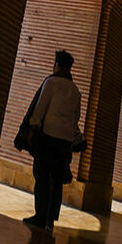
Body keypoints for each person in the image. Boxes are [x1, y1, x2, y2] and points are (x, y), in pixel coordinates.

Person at [23, 49, 83, 232]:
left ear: (56, 64)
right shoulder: (75, 89)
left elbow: (40, 108)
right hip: (64, 141)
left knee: (41, 176)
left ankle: (40, 216)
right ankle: (51, 219)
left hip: (48, 136)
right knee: (56, 179)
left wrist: (32, 128)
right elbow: (76, 117)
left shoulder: (51, 82)